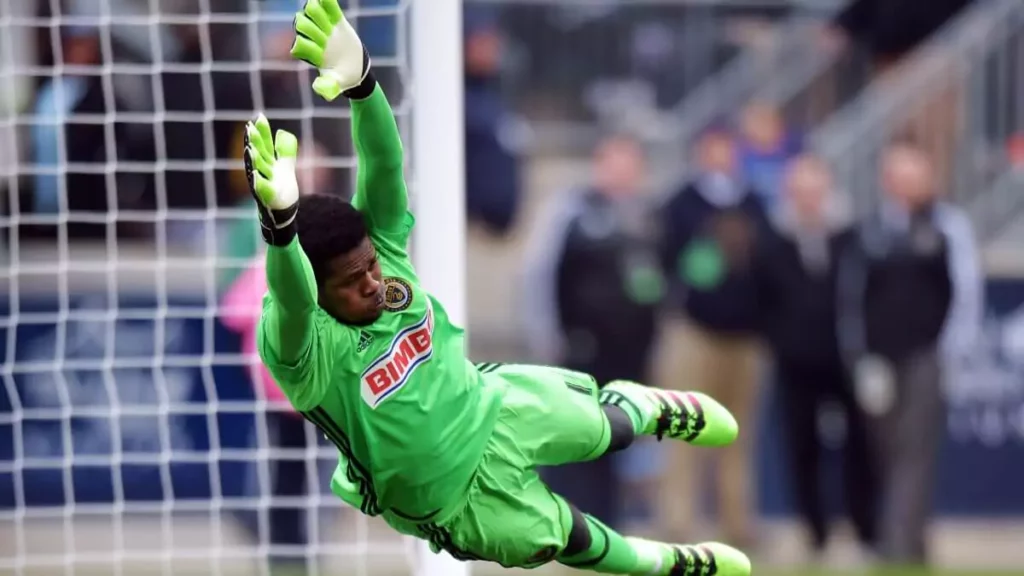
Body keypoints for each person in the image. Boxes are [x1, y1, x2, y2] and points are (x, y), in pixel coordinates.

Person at [244, 2, 752, 574]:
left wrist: (364, 85)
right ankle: (662, 563)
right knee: (553, 536)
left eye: (370, 266)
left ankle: (658, 409)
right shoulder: (307, 346)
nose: (373, 281)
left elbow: (383, 165)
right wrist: (281, 234)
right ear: (317, 292)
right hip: (450, 498)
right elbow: (288, 298)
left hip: (496, 406)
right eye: (351, 281)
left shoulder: (382, 252)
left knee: (600, 426)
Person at [836, 140, 981, 564]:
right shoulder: (869, 230)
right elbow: (851, 301)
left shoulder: (947, 226)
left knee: (914, 453)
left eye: (913, 174)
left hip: (925, 356)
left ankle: (896, 547)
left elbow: (965, 294)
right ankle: (913, 543)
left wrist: (951, 353)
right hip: (879, 361)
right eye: (897, 175)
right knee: (886, 452)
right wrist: (859, 360)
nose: (905, 184)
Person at [522, 134, 663, 529]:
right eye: (614, 163)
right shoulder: (570, 211)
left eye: (630, 166)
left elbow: (653, 286)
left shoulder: (646, 217)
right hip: (578, 351)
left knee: (618, 441)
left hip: (629, 357)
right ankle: (564, 526)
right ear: (599, 164)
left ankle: (609, 527)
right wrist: (548, 336)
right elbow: (538, 274)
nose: (622, 174)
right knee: (576, 441)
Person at [752, 156, 878, 558]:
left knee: (859, 447)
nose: (809, 200)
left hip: (846, 358)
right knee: (801, 447)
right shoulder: (773, 239)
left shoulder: (851, 236)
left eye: (815, 190)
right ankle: (816, 534)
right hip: (795, 362)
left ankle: (863, 531)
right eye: (801, 191)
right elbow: (762, 300)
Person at [654, 126, 767, 548]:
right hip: (694, 333)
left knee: (737, 435)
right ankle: (678, 522)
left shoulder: (753, 202)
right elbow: (665, 257)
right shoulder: (682, 203)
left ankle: (738, 524)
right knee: (683, 431)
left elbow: (766, 261)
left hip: (744, 337)